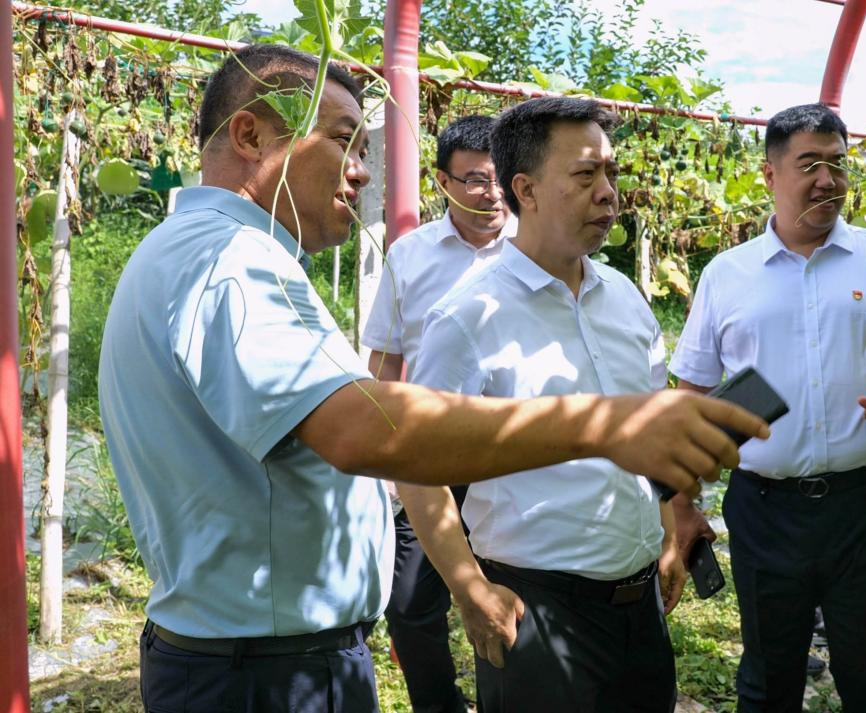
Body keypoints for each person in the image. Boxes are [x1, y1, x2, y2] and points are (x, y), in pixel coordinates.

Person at [97, 45, 767, 713]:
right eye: (342, 141)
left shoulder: (209, 253)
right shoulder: (230, 259)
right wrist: (602, 426)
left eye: (364, 149)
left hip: (268, 658)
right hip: (264, 673)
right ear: (250, 136)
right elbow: (365, 431)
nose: (361, 171)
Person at [398, 96, 684, 713]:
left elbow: (649, 427)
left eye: (611, 173)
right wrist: (470, 589)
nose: (608, 193)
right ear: (525, 189)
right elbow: (416, 469)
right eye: (585, 175)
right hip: (538, 612)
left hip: (640, 610)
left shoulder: (626, 299)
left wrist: (666, 532)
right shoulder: (469, 317)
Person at [669, 103, 866, 713]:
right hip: (765, 507)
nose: (827, 180)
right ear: (769, 174)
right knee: (768, 678)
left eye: (837, 164)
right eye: (808, 164)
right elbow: (692, 396)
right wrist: (682, 505)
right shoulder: (727, 274)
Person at [361, 114, 515, 713]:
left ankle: (505, 698)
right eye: (475, 179)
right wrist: (382, 453)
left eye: (500, 178)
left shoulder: (534, 250)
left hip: (512, 456)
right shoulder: (412, 255)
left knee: (510, 592)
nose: (492, 193)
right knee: (409, 603)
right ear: (442, 182)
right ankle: (438, 705)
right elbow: (385, 359)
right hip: (429, 460)